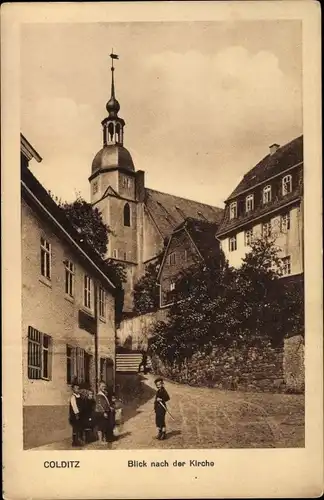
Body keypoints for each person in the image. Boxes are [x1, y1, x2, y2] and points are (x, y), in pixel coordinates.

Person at [69, 381, 84, 447]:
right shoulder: (73, 397)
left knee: (79, 428)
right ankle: (75, 442)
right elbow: (74, 406)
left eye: (78, 388)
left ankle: (79, 440)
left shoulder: (80, 396)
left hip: (80, 415)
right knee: (75, 429)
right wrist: (77, 414)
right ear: (73, 389)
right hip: (75, 415)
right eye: (76, 388)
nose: (77, 390)